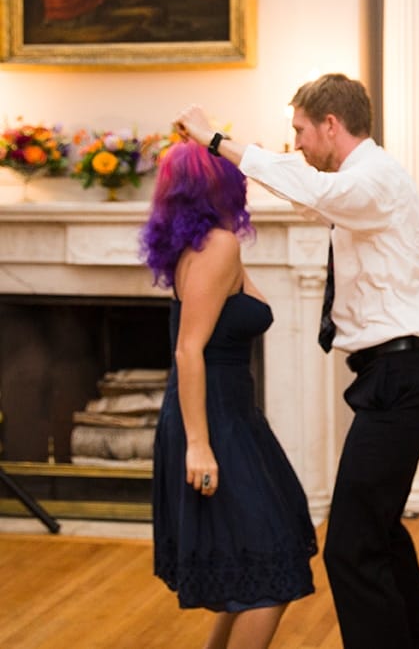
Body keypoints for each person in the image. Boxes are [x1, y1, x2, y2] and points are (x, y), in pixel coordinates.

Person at [173, 72, 419, 649]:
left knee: (350, 545)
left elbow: (311, 190)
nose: (297, 143)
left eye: (300, 129)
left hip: (407, 377)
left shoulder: (372, 178)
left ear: (331, 124)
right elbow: (306, 194)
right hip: (394, 375)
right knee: (378, 532)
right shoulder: (355, 184)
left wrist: (212, 139)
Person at [141, 141, 317, 649]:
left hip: (231, 416)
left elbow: (251, 307)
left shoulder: (209, 246)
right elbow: (188, 352)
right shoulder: (216, 245)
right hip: (213, 421)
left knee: (258, 572)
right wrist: (199, 445)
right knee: (271, 569)